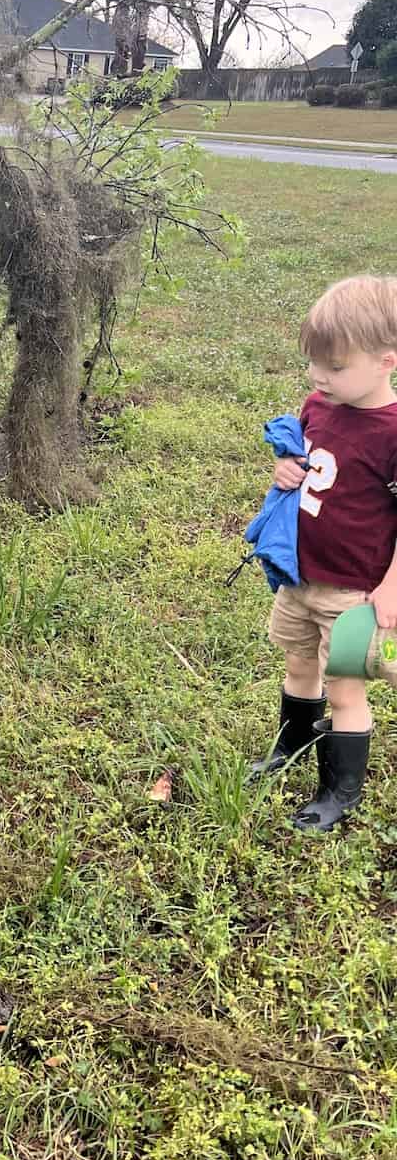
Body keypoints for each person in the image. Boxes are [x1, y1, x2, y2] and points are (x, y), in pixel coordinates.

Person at [253, 275, 397, 831]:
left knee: (345, 687)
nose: (318, 376)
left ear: (386, 361)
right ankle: (288, 748)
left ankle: (339, 788)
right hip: (300, 575)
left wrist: (389, 588)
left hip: (354, 591)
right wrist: (284, 470)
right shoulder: (320, 405)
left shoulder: (391, 433)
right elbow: (305, 467)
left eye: (335, 367)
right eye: (314, 363)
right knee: (297, 663)